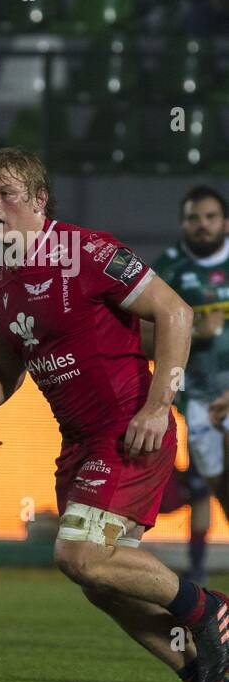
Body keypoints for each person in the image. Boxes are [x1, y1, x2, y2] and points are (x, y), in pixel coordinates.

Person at [0, 146, 229, 682]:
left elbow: (176, 313)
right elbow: (1, 375)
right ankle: (209, 681)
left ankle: (210, 608)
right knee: (103, 586)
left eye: (5, 193)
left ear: (40, 202)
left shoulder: (88, 251)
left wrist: (157, 407)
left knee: (81, 556)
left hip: (128, 429)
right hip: (79, 444)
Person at [150, 185, 229, 587]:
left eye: (211, 217)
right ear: (183, 223)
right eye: (194, 218)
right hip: (196, 395)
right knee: (207, 484)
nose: (203, 225)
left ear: (225, 222)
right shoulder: (169, 268)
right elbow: (147, 331)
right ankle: (198, 569)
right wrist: (195, 330)